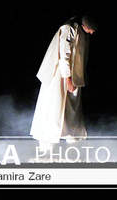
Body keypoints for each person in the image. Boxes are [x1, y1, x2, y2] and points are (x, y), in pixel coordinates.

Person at [30, 15, 97, 147]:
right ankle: (46, 146)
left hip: (72, 76)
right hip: (59, 75)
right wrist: (68, 79)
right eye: (92, 29)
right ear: (86, 25)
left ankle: (72, 145)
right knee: (54, 107)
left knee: (71, 112)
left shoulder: (83, 33)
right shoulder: (68, 29)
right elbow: (64, 55)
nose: (92, 33)